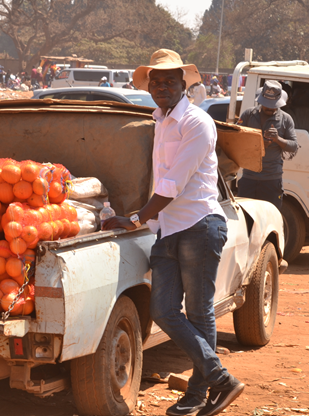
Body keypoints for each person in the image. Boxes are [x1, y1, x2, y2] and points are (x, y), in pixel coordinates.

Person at [103, 49, 244, 416]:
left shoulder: (197, 122)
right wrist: (143, 219)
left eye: (169, 80)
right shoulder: (160, 121)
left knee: (199, 314)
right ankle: (221, 380)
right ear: (149, 86)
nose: (162, 86)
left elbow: (172, 185)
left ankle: (198, 395)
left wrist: (134, 219)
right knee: (164, 311)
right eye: (156, 81)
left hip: (199, 225)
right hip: (166, 227)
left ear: (185, 84)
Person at [236, 80, 298, 209]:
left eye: (273, 105)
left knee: (270, 221)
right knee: (246, 219)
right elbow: (236, 139)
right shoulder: (248, 115)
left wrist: (277, 139)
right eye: (266, 105)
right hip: (249, 178)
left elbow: (293, 146)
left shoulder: (286, 119)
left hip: (271, 180)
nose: (269, 108)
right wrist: (259, 143)